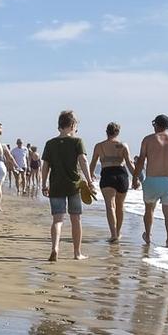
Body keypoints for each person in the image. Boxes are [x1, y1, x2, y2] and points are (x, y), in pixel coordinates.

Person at [39, 109, 94, 261]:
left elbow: (45, 166)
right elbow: (83, 160)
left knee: (58, 220)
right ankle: (77, 253)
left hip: (56, 185)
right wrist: (89, 181)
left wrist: (43, 184)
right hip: (74, 186)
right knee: (75, 219)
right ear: (72, 125)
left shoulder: (50, 143)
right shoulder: (77, 141)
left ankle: (55, 247)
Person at [136, 113, 168, 249]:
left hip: (152, 180)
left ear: (156, 125)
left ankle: (148, 236)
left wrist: (135, 177)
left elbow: (141, 160)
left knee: (149, 210)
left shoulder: (148, 140)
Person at [91, 122, 133, 244]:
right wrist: (136, 178)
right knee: (120, 205)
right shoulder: (123, 146)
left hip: (107, 175)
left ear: (106, 132)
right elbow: (129, 164)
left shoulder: (99, 146)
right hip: (121, 175)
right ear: (118, 132)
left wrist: (90, 176)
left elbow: (93, 162)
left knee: (110, 206)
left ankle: (113, 234)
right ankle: (118, 232)